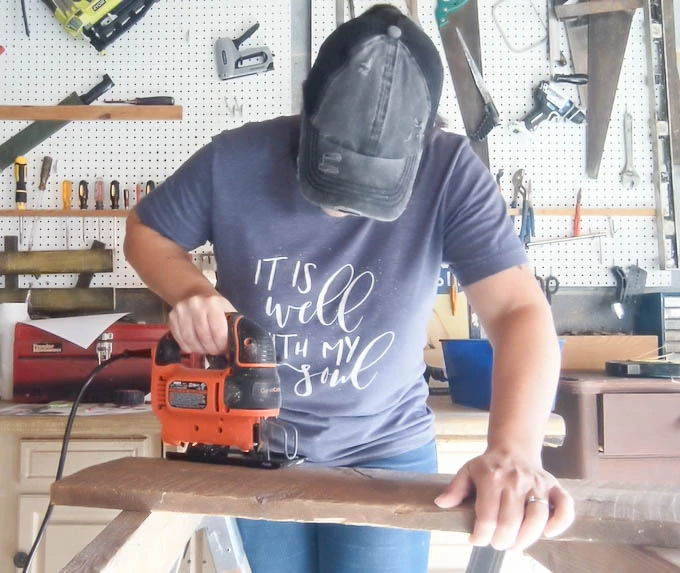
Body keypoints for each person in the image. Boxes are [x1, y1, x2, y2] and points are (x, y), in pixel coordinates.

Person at [124, 4, 575, 572]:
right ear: (307, 107)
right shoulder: (235, 159)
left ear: (420, 143)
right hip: (254, 442)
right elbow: (145, 232)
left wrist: (514, 448)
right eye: (328, 184)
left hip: (388, 449)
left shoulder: (452, 171)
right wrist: (190, 290)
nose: (340, 210)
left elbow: (516, 311)